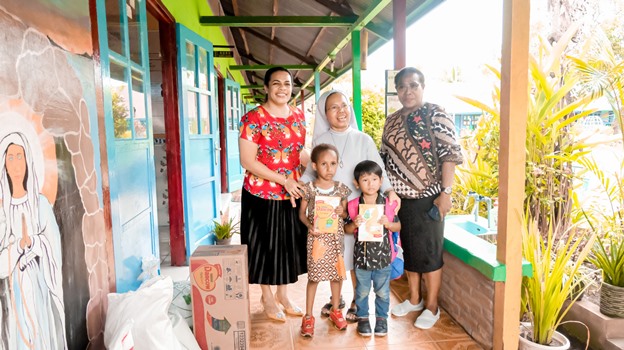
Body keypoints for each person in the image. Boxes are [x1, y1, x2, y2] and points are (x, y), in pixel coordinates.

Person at [301, 89, 400, 323]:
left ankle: (357, 299)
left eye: (344, 105)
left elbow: (378, 170)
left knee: (357, 258)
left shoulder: (362, 138)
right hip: (331, 213)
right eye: (333, 107)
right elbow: (309, 173)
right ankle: (337, 301)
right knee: (335, 256)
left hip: (359, 209)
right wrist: (298, 188)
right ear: (325, 114)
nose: (340, 111)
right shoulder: (319, 141)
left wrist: (390, 190)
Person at [382, 67, 463, 329]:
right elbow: (385, 159)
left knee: (429, 254)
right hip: (401, 201)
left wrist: (445, 193)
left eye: (413, 85)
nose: (408, 91)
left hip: (430, 199)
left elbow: (449, 154)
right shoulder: (391, 121)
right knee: (411, 251)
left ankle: (432, 306)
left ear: (423, 86)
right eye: (402, 87)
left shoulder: (435, 113)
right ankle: (415, 299)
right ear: (397, 90)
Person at [238, 67, 307, 322]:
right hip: (259, 195)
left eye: (287, 84)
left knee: (286, 248)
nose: (282, 88)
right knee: (263, 247)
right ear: (266, 88)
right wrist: (283, 180)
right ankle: (266, 296)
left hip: (290, 194)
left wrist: (324, 166)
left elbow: (299, 154)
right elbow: (247, 161)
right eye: (276, 83)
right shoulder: (253, 118)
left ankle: (283, 295)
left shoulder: (298, 116)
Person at [0, 131, 67, 349]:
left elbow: (54, 248)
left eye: (20, 156)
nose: (16, 163)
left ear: (28, 160)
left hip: (39, 286)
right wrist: (17, 247)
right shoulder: (2, 212)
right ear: (4, 164)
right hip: (13, 294)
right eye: (10, 157)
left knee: (40, 336)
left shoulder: (40, 205)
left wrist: (35, 243)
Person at [298, 144, 351, 336]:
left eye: (333, 164)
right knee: (314, 278)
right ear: (314, 165)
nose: (329, 169)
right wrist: (309, 226)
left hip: (336, 240)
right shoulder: (309, 189)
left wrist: (341, 212)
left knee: (336, 276)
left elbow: (345, 214)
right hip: (317, 241)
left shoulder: (341, 189)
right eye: (324, 164)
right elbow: (302, 214)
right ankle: (308, 316)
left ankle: (336, 311)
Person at [344, 160, 401, 337]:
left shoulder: (388, 204)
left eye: (374, 179)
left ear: (381, 180)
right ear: (356, 183)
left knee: (383, 293)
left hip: (383, 258)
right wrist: (354, 223)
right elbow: (346, 229)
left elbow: (398, 227)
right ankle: (362, 319)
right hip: (361, 259)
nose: (370, 184)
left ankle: (381, 319)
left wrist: (388, 224)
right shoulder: (353, 205)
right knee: (361, 291)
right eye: (365, 180)